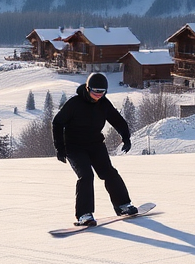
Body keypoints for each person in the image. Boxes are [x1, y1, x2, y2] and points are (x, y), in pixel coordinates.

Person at [52, 73, 139, 226]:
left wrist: (126, 137)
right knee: (86, 176)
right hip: (74, 147)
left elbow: (117, 120)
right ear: (87, 88)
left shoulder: (104, 104)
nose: (98, 96)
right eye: (95, 92)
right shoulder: (74, 104)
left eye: (102, 92)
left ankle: (123, 205)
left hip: (95, 144)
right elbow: (57, 123)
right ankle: (84, 214)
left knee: (109, 173)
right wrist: (60, 148)